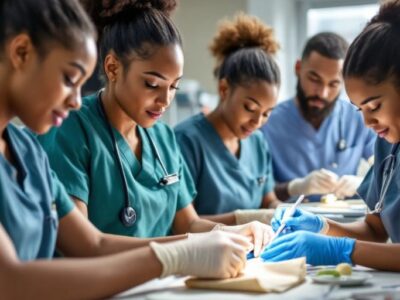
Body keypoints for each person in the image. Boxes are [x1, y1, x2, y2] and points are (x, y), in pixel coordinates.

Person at [0, 0, 259, 298]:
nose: (74, 101)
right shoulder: (70, 130)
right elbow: (10, 281)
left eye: (173, 87)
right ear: (20, 52)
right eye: (70, 79)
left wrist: (201, 242)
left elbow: (92, 243)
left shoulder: (27, 150)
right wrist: (174, 256)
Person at [260, 0, 400, 272]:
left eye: (373, 107)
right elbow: (374, 231)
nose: (366, 121)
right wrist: (322, 226)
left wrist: (343, 250)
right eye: (359, 109)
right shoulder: (388, 145)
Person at [174, 14, 281, 226]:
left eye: (267, 113)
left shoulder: (257, 143)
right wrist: (244, 220)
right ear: (224, 89)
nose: (257, 121)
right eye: (250, 108)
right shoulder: (186, 141)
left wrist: (282, 212)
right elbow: (183, 224)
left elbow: (268, 200)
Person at [261, 32, 375, 202]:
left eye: (333, 84)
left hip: (345, 222)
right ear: (298, 69)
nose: (322, 93)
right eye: (314, 79)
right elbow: (260, 194)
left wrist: (364, 183)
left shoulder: (358, 118)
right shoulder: (266, 122)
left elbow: (388, 168)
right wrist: (295, 187)